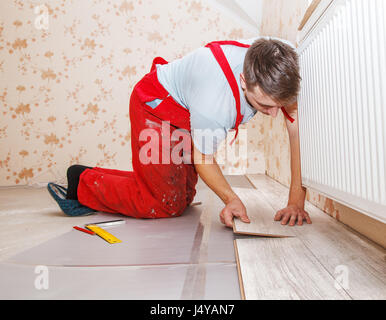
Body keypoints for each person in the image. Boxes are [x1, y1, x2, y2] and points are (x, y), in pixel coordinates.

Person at [48, 36, 312, 227]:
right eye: (266, 105)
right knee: (163, 203)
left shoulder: (278, 58)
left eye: (280, 104)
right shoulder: (214, 105)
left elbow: (295, 129)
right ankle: (81, 184)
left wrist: (295, 201)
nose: (275, 113)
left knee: (184, 196)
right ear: (244, 80)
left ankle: (89, 175)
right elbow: (203, 159)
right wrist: (231, 198)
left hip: (187, 110)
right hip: (156, 105)